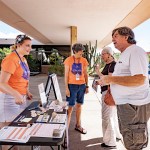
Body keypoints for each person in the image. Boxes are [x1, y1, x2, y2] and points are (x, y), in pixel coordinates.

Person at [99, 26, 150, 150]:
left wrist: (110, 79)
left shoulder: (135, 51)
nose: (113, 40)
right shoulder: (126, 54)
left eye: (115, 36)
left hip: (134, 106)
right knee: (129, 139)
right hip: (128, 106)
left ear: (126, 37)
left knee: (135, 143)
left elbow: (139, 79)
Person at [0, 34, 33, 150]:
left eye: (30, 46)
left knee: (17, 127)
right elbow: (2, 83)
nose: (30, 48)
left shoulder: (23, 59)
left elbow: (24, 77)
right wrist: (16, 94)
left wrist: (27, 91)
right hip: (9, 98)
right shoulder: (10, 59)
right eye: (27, 45)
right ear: (18, 45)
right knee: (7, 132)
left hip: (20, 97)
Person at [95, 47, 121, 149]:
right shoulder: (110, 65)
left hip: (108, 94)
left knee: (107, 117)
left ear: (109, 54)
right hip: (110, 93)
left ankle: (110, 142)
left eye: (103, 54)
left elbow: (109, 80)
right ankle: (117, 136)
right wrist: (99, 81)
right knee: (112, 116)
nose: (101, 56)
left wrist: (98, 72)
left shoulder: (112, 65)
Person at [64, 43, 89, 134]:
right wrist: (66, 88)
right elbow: (66, 75)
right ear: (74, 51)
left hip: (82, 86)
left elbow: (86, 74)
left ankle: (78, 125)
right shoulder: (68, 60)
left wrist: (87, 86)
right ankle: (65, 131)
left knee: (79, 105)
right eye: (80, 52)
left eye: (82, 52)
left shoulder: (84, 60)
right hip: (72, 86)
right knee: (70, 108)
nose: (81, 54)